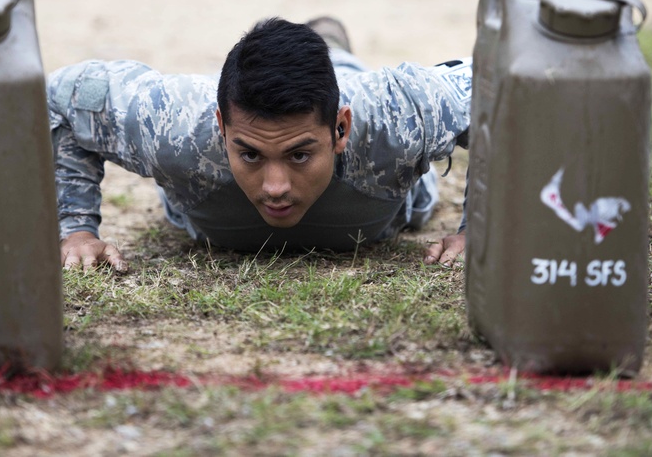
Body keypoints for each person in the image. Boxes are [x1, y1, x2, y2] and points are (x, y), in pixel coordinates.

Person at [48, 17, 471, 272]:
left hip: (390, 200)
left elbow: (508, 96)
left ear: (340, 130)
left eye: (299, 154)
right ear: (221, 128)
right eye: (250, 153)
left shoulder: (400, 115)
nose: (275, 187)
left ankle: (332, 47)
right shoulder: (170, 122)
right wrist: (78, 229)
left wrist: (482, 230)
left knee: (343, 72)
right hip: (205, 174)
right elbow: (59, 101)